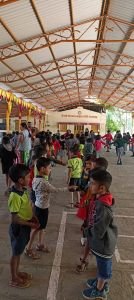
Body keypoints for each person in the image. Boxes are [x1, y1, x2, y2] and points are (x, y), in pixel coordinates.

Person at [25, 157, 77, 256]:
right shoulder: (43, 182)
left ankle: (40, 244)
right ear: (42, 169)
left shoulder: (36, 178)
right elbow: (56, 190)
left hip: (40, 207)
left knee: (41, 228)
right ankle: (28, 248)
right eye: (49, 168)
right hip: (41, 209)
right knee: (36, 229)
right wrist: (69, 188)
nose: (50, 169)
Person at [82, 169, 118, 299]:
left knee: (104, 269)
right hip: (99, 243)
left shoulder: (103, 207)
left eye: (92, 183)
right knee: (101, 265)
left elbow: (99, 229)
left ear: (102, 188)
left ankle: (100, 290)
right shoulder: (100, 198)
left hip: (103, 244)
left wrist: (87, 232)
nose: (89, 185)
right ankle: (100, 282)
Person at [8, 164, 39, 288]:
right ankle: (13, 278)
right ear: (20, 180)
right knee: (15, 254)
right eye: (28, 177)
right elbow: (15, 219)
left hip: (25, 226)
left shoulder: (23, 190)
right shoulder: (14, 196)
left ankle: (17, 272)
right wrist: (30, 224)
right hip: (18, 229)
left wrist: (33, 217)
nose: (30, 179)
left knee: (19, 251)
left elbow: (27, 208)